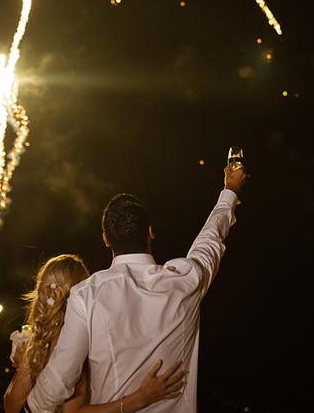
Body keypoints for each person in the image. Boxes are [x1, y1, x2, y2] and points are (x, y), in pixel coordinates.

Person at [26, 163, 247, 412]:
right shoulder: (186, 281)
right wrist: (230, 190)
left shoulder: (87, 295)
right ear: (151, 232)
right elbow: (211, 239)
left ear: (106, 239)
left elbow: (57, 382)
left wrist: (32, 406)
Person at [4, 254, 183, 413]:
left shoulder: (36, 342)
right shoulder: (75, 342)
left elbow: (10, 406)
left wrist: (24, 365)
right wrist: (140, 398)